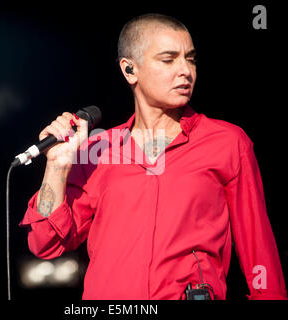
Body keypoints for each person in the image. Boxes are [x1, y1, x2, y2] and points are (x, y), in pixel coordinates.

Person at [19, 13, 287, 300]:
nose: (186, 70)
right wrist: (57, 166)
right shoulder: (100, 150)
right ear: (130, 70)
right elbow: (45, 244)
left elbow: (258, 249)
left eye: (191, 59)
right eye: (169, 59)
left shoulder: (227, 142)